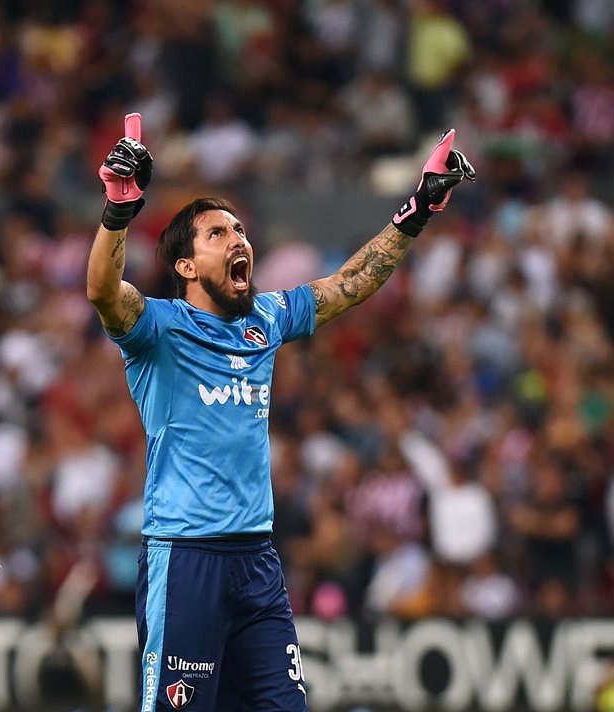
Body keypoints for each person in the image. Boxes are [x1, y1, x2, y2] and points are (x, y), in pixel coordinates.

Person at [86, 113, 474, 711]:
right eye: (217, 234)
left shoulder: (264, 321)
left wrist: (417, 210)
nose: (239, 239)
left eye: (240, 229)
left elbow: (349, 283)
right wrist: (117, 214)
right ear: (185, 267)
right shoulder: (157, 329)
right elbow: (104, 293)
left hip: (258, 561)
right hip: (187, 560)